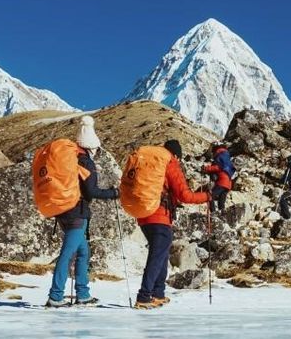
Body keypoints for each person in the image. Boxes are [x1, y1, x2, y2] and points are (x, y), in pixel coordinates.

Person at [46, 116, 119, 308]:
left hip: (62, 211)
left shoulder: (70, 159)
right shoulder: (86, 162)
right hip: (76, 213)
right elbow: (91, 191)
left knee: (82, 252)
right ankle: (55, 296)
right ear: (91, 147)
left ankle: (83, 293)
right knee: (68, 254)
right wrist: (114, 193)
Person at [135, 139, 210, 308]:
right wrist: (207, 196)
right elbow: (185, 195)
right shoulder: (169, 163)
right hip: (160, 215)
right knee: (157, 255)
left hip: (143, 214)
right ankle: (144, 295)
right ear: (176, 154)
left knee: (161, 253)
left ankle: (158, 293)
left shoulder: (150, 163)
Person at [203, 143, 233, 213]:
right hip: (228, 184)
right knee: (221, 202)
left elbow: (217, 168)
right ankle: (222, 216)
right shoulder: (226, 159)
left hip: (222, 182)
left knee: (210, 196)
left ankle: (213, 213)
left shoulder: (220, 158)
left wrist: (206, 168)